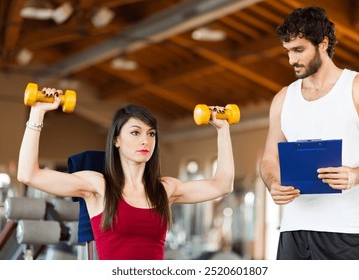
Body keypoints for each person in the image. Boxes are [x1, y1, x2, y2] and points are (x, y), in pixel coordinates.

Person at [17, 91, 234, 260]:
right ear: (116, 140)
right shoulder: (97, 186)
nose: (145, 141)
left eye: (151, 134)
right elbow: (28, 174)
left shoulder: (165, 190)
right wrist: (37, 112)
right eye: (135, 132)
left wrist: (223, 130)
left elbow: (222, 185)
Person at [259, 6, 359, 260]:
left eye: (299, 50)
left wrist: (355, 175)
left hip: (345, 232)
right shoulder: (283, 98)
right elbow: (269, 158)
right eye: (288, 51)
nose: (292, 59)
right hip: (293, 231)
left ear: (323, 43)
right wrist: (273, 182)